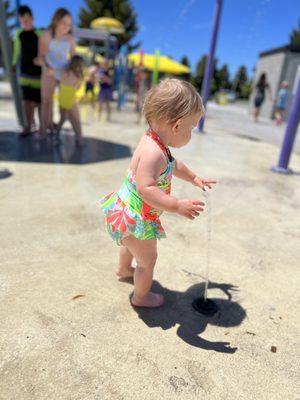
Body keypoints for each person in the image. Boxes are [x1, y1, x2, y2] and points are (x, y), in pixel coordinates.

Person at [100, 79, 217, 308]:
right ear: (177, 126)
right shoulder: (154, 153)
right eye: (191, 128)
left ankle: (123, 269)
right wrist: (176, 205)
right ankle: (141, 297)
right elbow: (146, 189)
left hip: (124, 213)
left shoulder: (154, 140)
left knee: (130, 244)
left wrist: (194, 178)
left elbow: (174, 165)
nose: (191, 133)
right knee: (148, 260)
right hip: (136, 217)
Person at [35, 8, 76, 138]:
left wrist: (72, 74)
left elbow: (74, 59)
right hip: (49, 71)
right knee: (46, 102)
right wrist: (48, 69)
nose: (67, 27)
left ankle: (57, 127)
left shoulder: (70, 38)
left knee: (66, 103)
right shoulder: (46, 35)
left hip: (64, 72)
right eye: (64, 23)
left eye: (69, 24)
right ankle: (43, 129)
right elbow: (40, 57)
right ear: (56, 20)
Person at [12, 5, 42, 136]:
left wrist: (41, 59)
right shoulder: (19, 34)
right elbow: (17, 51)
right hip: (24, 72)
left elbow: (44, 50)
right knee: (26, 101)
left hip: (38, 73)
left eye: (27, 18)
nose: (25, 21)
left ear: (32, 18)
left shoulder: (39, 33)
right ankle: (28, 126)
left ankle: (42, 126)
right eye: (22, 19)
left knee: (38, 101)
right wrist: (14, 63)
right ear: (19, 20)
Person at [55, 55, 84, 146]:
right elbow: (77, 88)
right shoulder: (78, 76)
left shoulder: (65, 73)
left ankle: (56, 136)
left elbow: (60, 82)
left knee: (62, 119)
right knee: (76, 121)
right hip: (71, 100)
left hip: (62, 99)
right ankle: (79, 140)